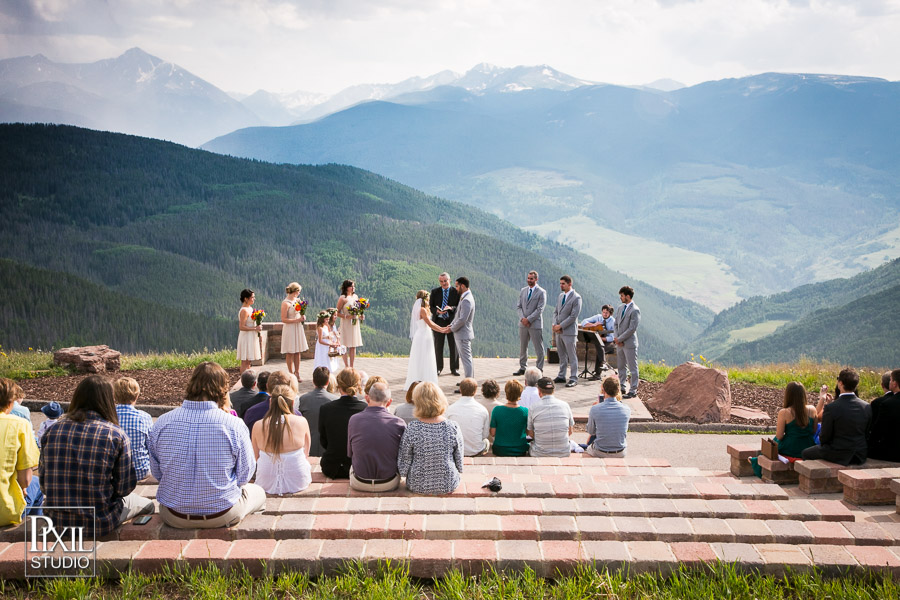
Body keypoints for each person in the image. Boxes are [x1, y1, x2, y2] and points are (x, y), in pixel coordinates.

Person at [150, 362, 264, 529]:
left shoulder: (162, 422)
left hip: (174, 514)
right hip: (223, 513)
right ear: (223, 389)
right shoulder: (233, 424)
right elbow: (245, 475)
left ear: (191, 384)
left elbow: (157, 473)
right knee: (259, 493)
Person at [41, 376, 153, 536]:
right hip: (100, 521)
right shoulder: (115, 434)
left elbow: (44, 484)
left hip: (56, 520)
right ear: (109, 399)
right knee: (148, 505)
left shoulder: (53, 430)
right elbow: (125, 487)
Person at [398, 382, 465, 495]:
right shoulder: (452, 427)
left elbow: (404, 461)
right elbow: (459, 459)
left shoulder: (412, 428)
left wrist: (403, 473)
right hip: (448, 482)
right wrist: (459, 468)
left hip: (417, 483)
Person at [801, 368, 871, 465]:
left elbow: (824, 437)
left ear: (840, 383)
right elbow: (866, 432)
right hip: (860, 454)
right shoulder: (866, 406)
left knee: (805, 453)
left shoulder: (831, 408)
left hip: (839, 453)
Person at [251, 384, 311, 494]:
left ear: (270, 402)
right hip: (298, 481)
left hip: (265, 481)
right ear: (293, 403)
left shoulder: (258, 425)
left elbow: (256, 457)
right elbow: (306, 453)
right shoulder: (302, 422)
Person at [348, 382, 407, 492]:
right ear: (389, 402)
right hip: (389, 482)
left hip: (359, 482)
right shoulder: (399, 423)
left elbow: (350, 453)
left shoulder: (354, 420)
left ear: (367, 398)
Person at [1, 378, 42, 526]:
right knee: (37, 483)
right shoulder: (19, 424)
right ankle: (34, 533)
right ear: (11, 402)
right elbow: (25, 480)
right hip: (5, 510)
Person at [318, 368, 367, 479]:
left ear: (338, 385)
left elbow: (323, 440)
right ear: (358, 385)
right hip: (357, 466)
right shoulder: (366, 409)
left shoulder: (326, 409)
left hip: (331, 466)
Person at [113, 377, 153, 481]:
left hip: (114, 473)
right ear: (137, 395)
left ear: (114, 395)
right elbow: (151, 447)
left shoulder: (108, 416)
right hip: (140, 471)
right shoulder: (144, 417)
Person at [405, 290, 445, 390]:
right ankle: (424, 379)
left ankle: (420, 379)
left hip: (422, 334)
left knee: (421, 358)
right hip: (423, 335)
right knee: (425, 357)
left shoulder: (418, 308)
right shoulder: (422, 309)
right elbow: (430, 324)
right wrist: (442, 329)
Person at [297, 366, 340, 457]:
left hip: (307, 446)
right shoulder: (335, 400)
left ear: (313, 381)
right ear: (328, 382)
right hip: (328, 447)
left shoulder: (303, 399)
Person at [527, 377, 575, 457]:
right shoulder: (565, 405)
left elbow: (530, 433)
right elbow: (570, 431)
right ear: (554, 390)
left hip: (540, 453)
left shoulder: (533, 407)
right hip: (564, 452)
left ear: (539, 391)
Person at [585, 377, 632, 457]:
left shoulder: (595, 409)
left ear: (603, 391)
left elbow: (591, 431)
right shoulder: (626, 409)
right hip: (620, 451)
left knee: (587, 447)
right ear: (618, 390)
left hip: (600, 451)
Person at [446, 378, 490, 456]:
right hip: (476, 450)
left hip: (456, 450)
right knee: (486, 442)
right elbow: (485, 435)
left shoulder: (450, 409)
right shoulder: (482, 410)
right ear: (476, 391)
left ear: (460, 390)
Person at [552, 275, 583, 388]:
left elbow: (573, 316)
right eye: (560, 283)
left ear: (569, 284)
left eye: (563, 284)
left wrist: (560, 326)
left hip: (569, 331)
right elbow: (556, 311)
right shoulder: (561, 296)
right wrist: (554, 324)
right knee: (561, 354)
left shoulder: (576, 298)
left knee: (572, 355)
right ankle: (561, 375)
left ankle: (574, 378)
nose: (561, 285)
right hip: (559, 331)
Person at [515, 270, 546, 375]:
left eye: (531, 279)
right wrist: (523, 318)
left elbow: (540, 309)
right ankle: (523, 367)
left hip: (535, 324)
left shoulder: (541, 292)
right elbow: (519, 306)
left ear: (536, 279)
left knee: (538, 347)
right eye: (528, 278)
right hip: (523, 324)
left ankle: (539, 368)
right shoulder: (523, 290)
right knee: (523, 346)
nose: (529, 280)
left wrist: (529, 319)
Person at [430, 272, 460, 376]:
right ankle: (438, 368)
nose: (443, 283)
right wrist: (438, 311)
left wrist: (451, 308)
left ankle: (454, 368)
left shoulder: (456, 292)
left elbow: (459, 307)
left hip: (452, 321)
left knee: (454, 345)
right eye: (441, 281)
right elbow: (431, 307)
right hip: (439, 322)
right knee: (438, 346)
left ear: (449, 280)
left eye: (445, 281)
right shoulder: (434, 292)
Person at [490, 379, 529, 457]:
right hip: (520, 449)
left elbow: (492, 433)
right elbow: (528, 432)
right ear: (520, 394)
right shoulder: (525, 411)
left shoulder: (497, 410)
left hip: (500, 449)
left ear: (506, 392)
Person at [614, 286, 641, 398]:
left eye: (622, 296)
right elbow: (616, 324)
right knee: (621, 366)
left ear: (628, 296)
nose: (620, 298)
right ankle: (622, 386)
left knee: (632, 367)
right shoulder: (620, 308)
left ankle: (633, 390)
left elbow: (632, 328)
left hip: (629, 343)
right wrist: (616, 338)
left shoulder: (635, 310)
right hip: (619, 343)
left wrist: (620, 339)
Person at [868, 369, 900, 462]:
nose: (889, 382)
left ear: (894, 384)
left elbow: (877, 430)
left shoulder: (887, 404)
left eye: (891, 380)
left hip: (891, 452)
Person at [449, 276, 476, 383]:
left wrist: (451, 329)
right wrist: (450, 325)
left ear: (463, 286)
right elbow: (457, 316)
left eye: (457, 286)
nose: (456, 289)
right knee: (466, 359)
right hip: (461, 334)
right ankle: (468, 380)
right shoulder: (464, 297)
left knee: (466, 360)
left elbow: (462, 320)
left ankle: (469, 383)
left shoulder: (467, 300)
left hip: (463, 334)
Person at [280, 281, 309, 381]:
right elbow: (283, 319)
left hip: (298, 327)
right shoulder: (285, 303)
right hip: (290, 328)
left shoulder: (297, 300)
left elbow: (299, 312)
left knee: (297, 351)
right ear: (295, 291)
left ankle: (297, 372)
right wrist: (297, 320)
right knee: (290, 352)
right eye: (299, 291)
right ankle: (290, 373)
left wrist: (302, 316)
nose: (299, 293)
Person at [581, 304, 616, 379]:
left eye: (606, 313)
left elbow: (612, 337)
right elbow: (584, 322)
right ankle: (602, 366)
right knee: (599, 346)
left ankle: (598, 373)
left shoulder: (613, 322)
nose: (604, 314)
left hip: (609, 342)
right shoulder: (598, 317)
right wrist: (593, 324)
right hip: (600, 341)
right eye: (603, 312)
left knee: (600, 349)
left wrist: (601, 339)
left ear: (610, 313)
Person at [336, 279, 363, 368]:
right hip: (346, 323)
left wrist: (360, 315)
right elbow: (337, 312)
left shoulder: (355, 296)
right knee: (345, 345)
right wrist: (346, 316)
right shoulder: (343, 298)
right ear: (347, 287)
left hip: (354, 323)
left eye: (353, 286)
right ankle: (346, 365)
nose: (353, 288)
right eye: (351, 286)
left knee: (353, 345)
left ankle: (351, 366)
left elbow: (358, 310)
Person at [237, 288, 262, 373]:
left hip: (251, 337)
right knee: (245, 361)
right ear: (246, 299)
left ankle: (248, 379)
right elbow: (242, 327)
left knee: (249, 361)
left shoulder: (250, 308)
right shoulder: (244, 310)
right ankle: (244, 381)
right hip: (246, 337)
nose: (254, 299)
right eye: (252, 297)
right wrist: (255, 329)